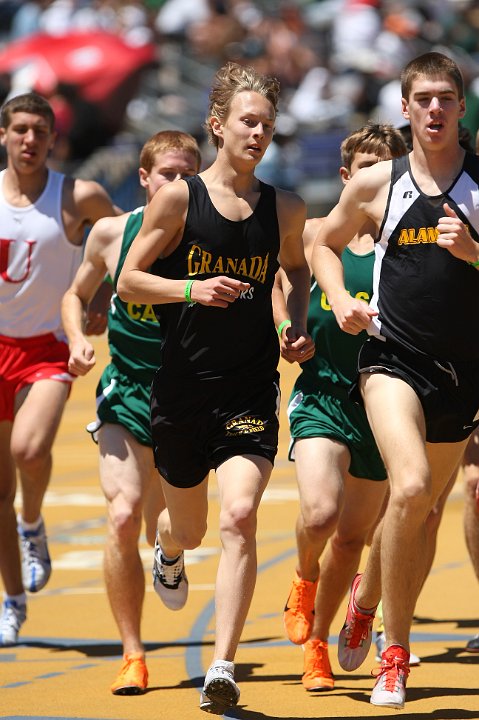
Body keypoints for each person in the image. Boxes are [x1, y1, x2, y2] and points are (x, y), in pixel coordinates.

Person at [117, 61, 311, 714]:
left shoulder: (283, 206)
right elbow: (129, 282)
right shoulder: (178, 199)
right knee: (190, 528)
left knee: (238, 516)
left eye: (266, 123)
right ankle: (167, 549)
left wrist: (294, 322)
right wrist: (190, 289)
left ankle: (221, 667)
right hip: (181, 388)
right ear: (218, 126)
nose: (258, 132)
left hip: (249, 388)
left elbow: (293, 272)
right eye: (246, 121)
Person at [312, 51, 479, 710]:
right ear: (404, 109)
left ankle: (368, 599)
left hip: (462, 374)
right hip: (391, 359)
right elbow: (323, 243)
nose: (434, 109)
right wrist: (342, 302)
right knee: (407, 485)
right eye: (422, 99)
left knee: (422, 511)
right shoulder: (376, 183)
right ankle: (393, 654)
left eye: (445, 98)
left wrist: (472, 252)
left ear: (461, 107)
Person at [61, 130, 202, 694]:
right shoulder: (111, 233)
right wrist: (75, 337)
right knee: (122, 515)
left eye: (189, 175)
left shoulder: (210, 234)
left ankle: (169, 553)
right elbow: (76, 294)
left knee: (172, 528)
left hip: (188, 392)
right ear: (144, 178)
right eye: (168, 174)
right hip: (127, 386)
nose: (179, 185)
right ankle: (133, 652)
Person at [274, 122, 406, 692]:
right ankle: (303, 579)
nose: (377, 177)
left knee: (354, 539)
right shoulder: (316, 236)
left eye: (388, 167)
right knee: (321, 514)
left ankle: (320, 640)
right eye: (367, 167)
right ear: (348, 175)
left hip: (385, 403)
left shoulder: (408, 245)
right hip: (323, 391)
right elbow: (279, 283)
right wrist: (288, 327)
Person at [0, 92, 120, 647]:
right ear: (4, 135)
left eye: (39, 131)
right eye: (20, 129)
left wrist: (99, 299)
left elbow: (131, 243)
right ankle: (13, 601)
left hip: (49, 346)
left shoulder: (76, 196)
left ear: (54, 139)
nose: (29, 140)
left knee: (29, 449)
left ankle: (32, 524)